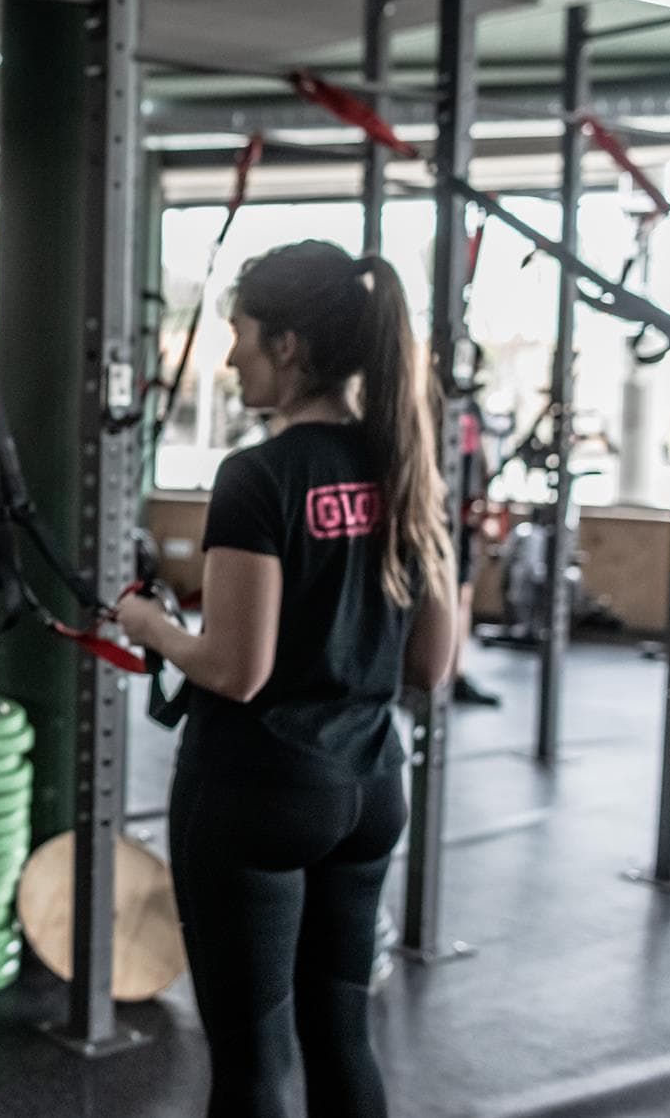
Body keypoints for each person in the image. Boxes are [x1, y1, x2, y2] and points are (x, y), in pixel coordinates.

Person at [118, 241, 457, 1118]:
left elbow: (236, 668)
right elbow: (432, 665)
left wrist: (151, 625)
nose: (230, 357)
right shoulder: (405, 467)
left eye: (241, 335)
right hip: (371, 786)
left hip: (257, 795)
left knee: (252, 1063)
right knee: (343, 1036)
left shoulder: (258, 477)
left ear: (289, 346)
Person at [450, 389, 503, 706]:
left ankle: (455, 673)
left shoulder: (472, 408)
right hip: (435, 513)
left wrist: (485, 506)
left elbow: (485, 459)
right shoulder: (429, 398)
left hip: (466, 513)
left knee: (462, 593)